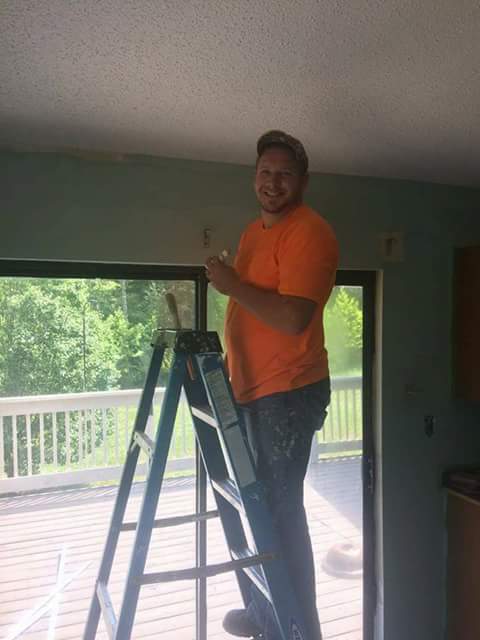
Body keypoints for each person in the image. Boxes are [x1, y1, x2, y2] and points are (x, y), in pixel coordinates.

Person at [205, 130, 339, 640]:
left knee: (281, 512)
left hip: (289, 391)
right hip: (253, 389)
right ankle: (265, 615)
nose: (273, 182)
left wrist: (232, 284)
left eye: (285, 173)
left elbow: (292, 318)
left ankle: (300, 631)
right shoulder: (252, 233)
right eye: (265, 172)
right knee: (258, 508)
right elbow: (252, 307)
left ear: (302, 181)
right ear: (254, 178)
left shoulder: (310, 232)